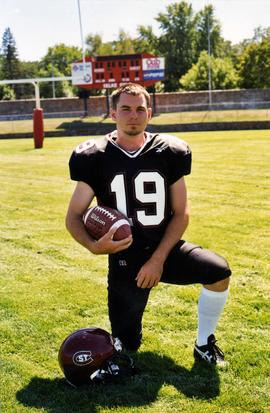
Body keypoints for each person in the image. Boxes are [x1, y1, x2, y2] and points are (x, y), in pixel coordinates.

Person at [66, 83, 231, 366]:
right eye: (126, 109)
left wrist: (157, 259)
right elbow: (73, 216)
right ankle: (125, 334)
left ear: (149, 113)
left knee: (218, 271)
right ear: (112, 113)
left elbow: (181, 213)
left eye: (140, 108)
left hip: (164, 248)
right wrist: (94, 247)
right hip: (125, 258)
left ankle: (204, 343)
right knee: (128, 345)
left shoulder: (168, 151)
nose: (134, 115)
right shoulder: (95, 156)